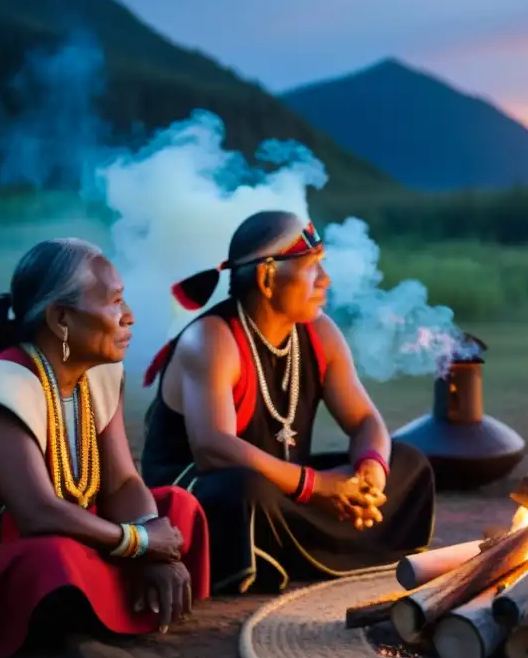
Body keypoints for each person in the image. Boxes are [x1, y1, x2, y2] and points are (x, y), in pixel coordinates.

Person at [141, 210, 435, 595]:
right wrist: (319, 488)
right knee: (246, 492)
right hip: (212, 491)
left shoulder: (319, 331)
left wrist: (368, 476)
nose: (325, 280)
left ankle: (309, 544)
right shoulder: (211, 339)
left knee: (408, 461)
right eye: (313, 267)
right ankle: (302, 550)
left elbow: (365, 420)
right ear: (266, 277)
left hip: (287, 489)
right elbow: (213, 448)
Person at [0, 239, 210, 658]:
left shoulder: (100, 373)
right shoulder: (8, 382)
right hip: (22, 544)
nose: (129, 315)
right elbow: (37, 512)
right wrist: (138, 543)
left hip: (87, 533)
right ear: (60, 318)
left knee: (178, 505)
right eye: (115, 302)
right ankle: (101, 606)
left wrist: (154, 541)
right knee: (53, 559)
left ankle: (116, 597)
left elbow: (122, 480)